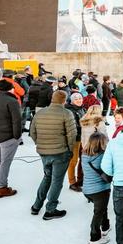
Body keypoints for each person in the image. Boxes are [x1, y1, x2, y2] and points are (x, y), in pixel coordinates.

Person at [29, 90, 77, 220]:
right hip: (60, 152)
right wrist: (70, 150)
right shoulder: (66, 113)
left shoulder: (40, 113)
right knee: (57, 181)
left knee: (47, 177)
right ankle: (50, 209)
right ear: (64, 100)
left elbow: (32, 132)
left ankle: (36, 206)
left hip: (44, 152)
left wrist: (41, 144)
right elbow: (72, 135)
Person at [0, 79, 22, 198]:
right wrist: (17, 136)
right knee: (4, 162)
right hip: (8, 136)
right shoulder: (12, 101)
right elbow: (17, 120)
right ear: (10, 89)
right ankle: (1, 187)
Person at [81, 131, 112, 244]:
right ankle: (94, 237)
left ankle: (105, 227)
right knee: (98, 212)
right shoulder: (103, 156)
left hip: (87, 189)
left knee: (102, 208)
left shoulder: (84, 155)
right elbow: (109, 170)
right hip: (100, 190)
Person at [65, 93, 86, 192]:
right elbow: (73, 126)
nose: (79, 100)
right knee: (73, 161)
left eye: (80, 98)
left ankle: (80, 179)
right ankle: (72, 182)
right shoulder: (70, 111)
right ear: (72, 101)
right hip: (75, 139)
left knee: (83, 159)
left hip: (83, 138)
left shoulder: (82, 109)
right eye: (76, 99)